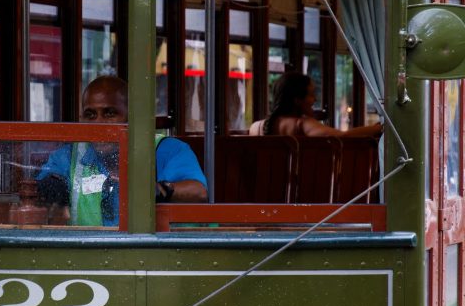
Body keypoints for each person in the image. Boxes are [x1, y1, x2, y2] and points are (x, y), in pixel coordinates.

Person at [36, 76, 208, 226]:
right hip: (87, 258)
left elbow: (198, 192)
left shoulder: (167, 150)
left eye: (109, 113)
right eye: (90, 115)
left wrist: (158, 190)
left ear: (131, 116)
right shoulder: (70, 155)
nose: (99, 124)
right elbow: (42, 188)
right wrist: (52, 189)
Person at [249, 72, 383, 137]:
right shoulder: (302, 124)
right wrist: (379, 129)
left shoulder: (255, 127)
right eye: (311, 94)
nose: (315, 99)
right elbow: (342, 137)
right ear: (297, 100)